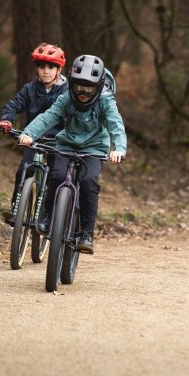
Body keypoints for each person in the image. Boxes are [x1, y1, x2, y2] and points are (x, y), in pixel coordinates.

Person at [18, 54, 127, 254]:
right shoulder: (67, 96)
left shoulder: (106, 100)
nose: (83, 93)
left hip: (94, 148)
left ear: (99, 85)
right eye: (79, 87)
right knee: (57, 175)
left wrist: (119, 148)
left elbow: (115, 124)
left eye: (89, 88)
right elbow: (49, 117)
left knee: (88, 182)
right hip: (66, 144)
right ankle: (48, 217)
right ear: (72, 83)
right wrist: (28, 134)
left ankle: (86, 233)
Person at [0, 43, 68, 220]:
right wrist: (7, 118)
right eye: (41, 66)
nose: (46, 71)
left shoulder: (67, 91)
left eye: (51, 67)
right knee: (24, 169)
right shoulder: (30, 89)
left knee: (55, 176)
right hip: (33, 139)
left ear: (59, 69)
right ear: (36, 69)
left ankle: (48, 215)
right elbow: (14, 104)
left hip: (57, 142)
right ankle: (16, 207)